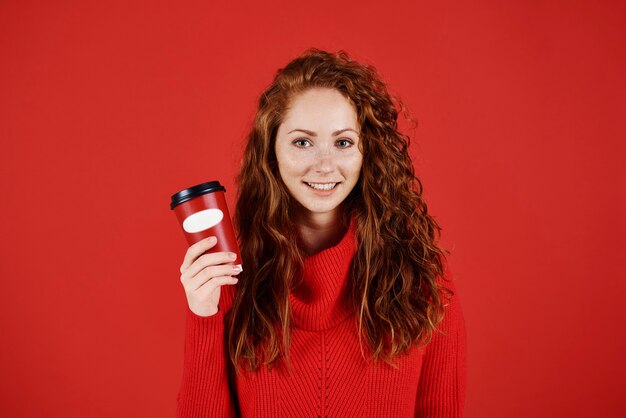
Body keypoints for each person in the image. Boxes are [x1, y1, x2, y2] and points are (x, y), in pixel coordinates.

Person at [176, 48, 467, 418]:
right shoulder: (231, 277)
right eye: (303, 142)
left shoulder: (423, 278)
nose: (325, 165)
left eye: (343, 142)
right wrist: (203, 315)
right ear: (272, 152)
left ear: (367, 153)